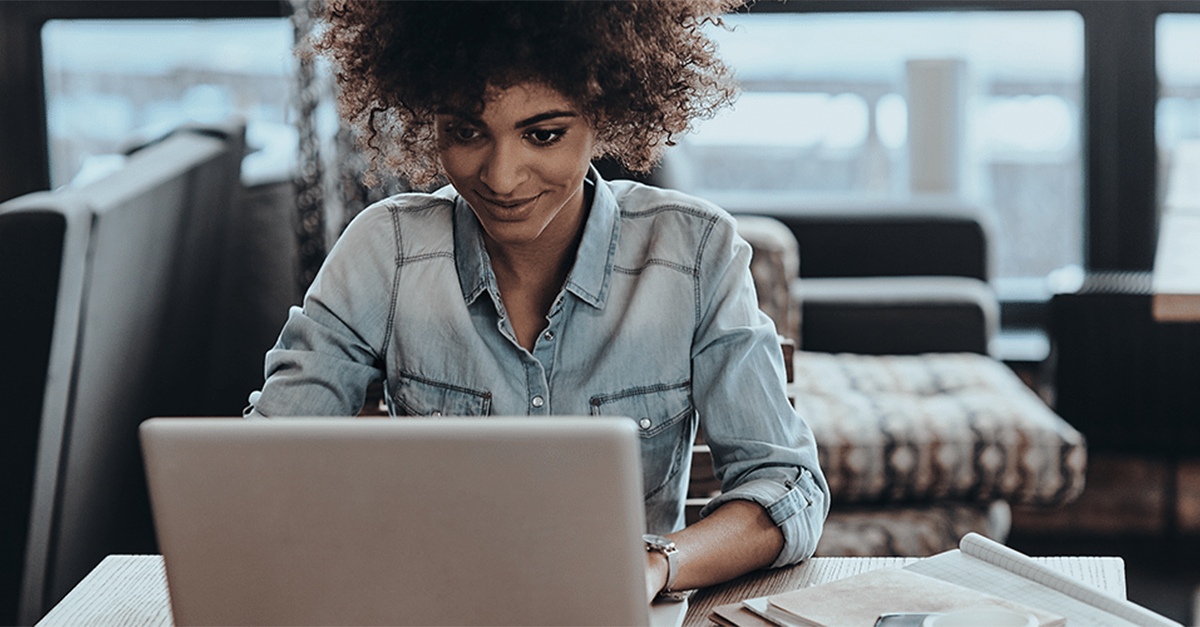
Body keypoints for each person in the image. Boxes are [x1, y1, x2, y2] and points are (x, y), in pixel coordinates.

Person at [246, 0, 829, 602]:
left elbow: (786, 486)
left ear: (603, 112)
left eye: (543, 134)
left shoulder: (693, 252)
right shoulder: (383, 251)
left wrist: (654, 564)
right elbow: (262, 470)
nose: (501, 176)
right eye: (467, 131)